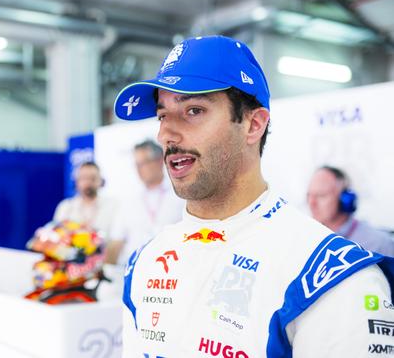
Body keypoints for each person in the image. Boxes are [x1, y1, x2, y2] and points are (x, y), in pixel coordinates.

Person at [114, 35, 394, 358]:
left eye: (193, 110)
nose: (166, 134)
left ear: (253, 125)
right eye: (163, 115)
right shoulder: (145, 262)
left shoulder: (332, 280)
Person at [105, 140, 185, 265]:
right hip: (134, 270)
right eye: (137, 165)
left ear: (160, 161)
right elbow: (116, 242)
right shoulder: (128, 199)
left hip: (174, 266)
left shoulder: (181, 194)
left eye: (144, 163)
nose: (139, 169)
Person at [308, 165, 394, 256]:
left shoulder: (378, 244)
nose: (311, 203)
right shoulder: (309, 240)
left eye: (321, 195)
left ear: (345, 199)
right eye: (309, 195)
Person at [53, 161, 117, 235]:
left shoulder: (112, 206)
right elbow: (56, 234)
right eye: (84, 178)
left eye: (93, 178)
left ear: (101, 182)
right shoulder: (65, 207)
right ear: (76, 182)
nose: (88, 182)